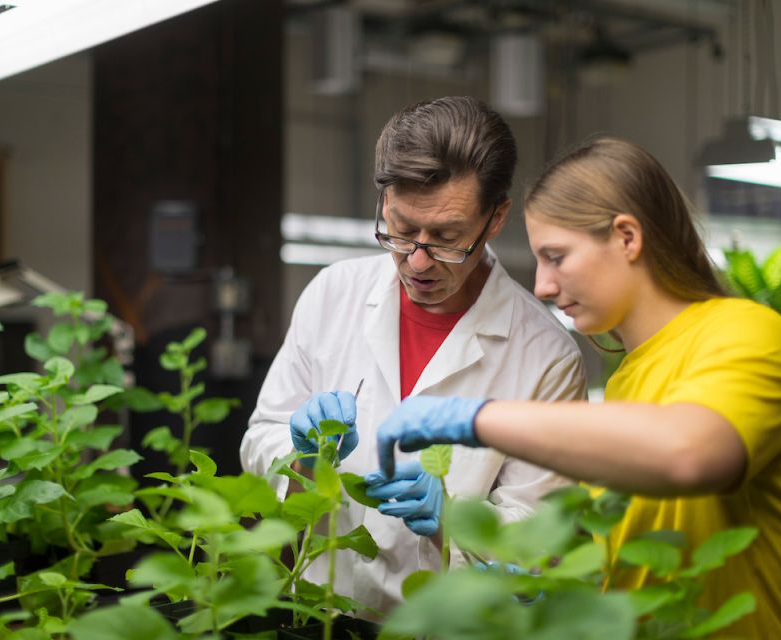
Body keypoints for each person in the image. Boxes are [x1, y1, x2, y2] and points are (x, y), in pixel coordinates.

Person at [375, 137, 781, 639]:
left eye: (556, 256)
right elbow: (632, 565)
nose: (542, 286)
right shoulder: (625, 381)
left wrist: (478, 419)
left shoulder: (746, 331)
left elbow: (689, 454)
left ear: (626, 237)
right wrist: (551, 589)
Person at [240, 96, 587, 615]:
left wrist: (454, 516)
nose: (418, 262)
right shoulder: (333, 293)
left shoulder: (546, 357)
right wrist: (299, 454)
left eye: (446, 238)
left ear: (495, 219)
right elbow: (258, 442)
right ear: (384, 203)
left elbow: (537, 547)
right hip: (322, 618)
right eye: (401, 231)